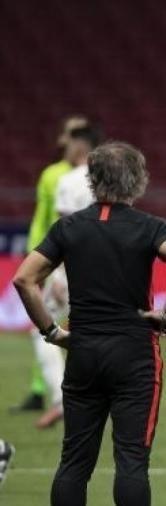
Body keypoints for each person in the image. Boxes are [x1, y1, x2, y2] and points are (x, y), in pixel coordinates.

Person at [13, 141, 166, 506]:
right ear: (139, 180)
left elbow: (24, 280)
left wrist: (53, 332)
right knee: (132, 460)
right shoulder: (151, 226)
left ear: (92, 180)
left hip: (84, 352)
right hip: (135, 353)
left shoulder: (69, 227)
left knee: (74, 462)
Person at [14, 115, 88, 417]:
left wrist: (54, 269)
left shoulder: (64, 178)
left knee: (44, 327)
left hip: (60, 262)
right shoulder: (103, 175)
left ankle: (61, 396)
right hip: (97, 268)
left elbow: (56, 225)